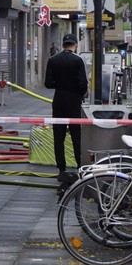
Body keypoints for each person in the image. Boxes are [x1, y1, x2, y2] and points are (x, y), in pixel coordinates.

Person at [44, 33, 87, 193]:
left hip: (59, 100)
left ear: (63, 45)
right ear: (75, 45)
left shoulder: (53, 60)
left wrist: (60, 84)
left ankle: (61, 169)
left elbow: (48, 83)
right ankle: (79, 167)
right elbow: (83, 83)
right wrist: (78, 91)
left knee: (59, 136)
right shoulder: (78, 60)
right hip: (74, 101)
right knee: (76, 135)